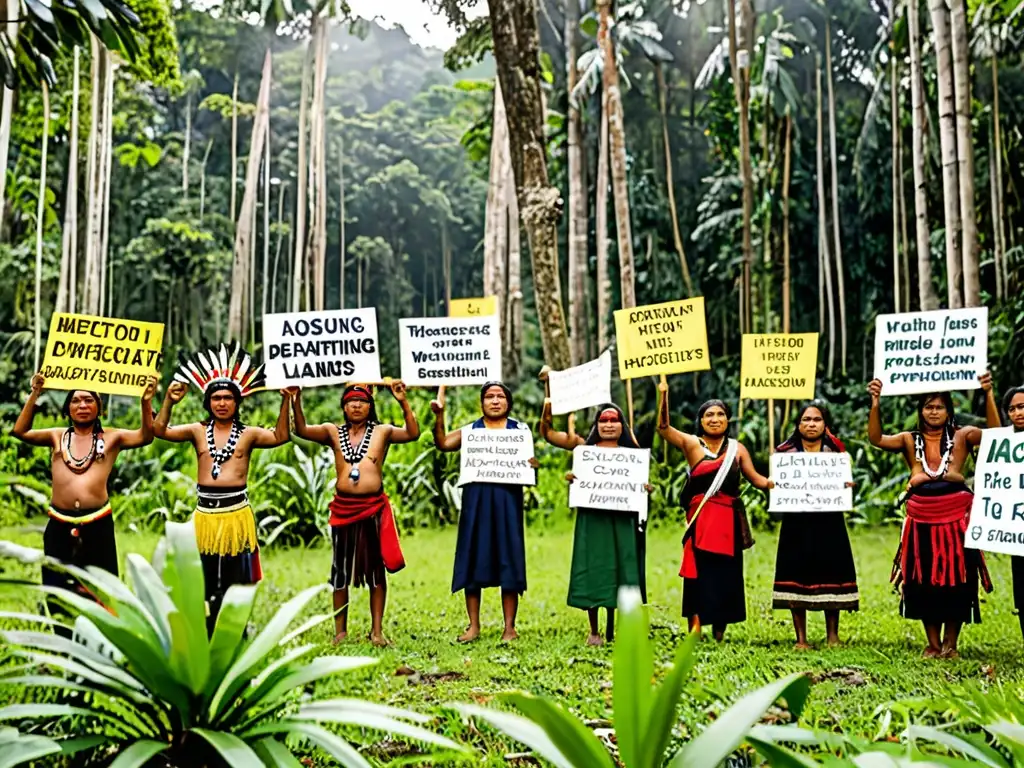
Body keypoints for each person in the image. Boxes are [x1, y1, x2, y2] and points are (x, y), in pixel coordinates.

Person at [154, 344, 291, 635]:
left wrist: (287, 401)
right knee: (202, 576)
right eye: (216, 398)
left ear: (237, 402)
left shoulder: (249, 433)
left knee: (235, 576)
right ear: (208, 401)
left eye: (228, 398)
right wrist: (168, 400)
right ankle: (204, 627)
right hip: (205, 515)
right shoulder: (196, 430)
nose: (222, 403)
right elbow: (160, 431)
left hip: (235, 515)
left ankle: (235, 628)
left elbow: (281, 436)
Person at [867, 373, 998, 658]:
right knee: (923, 580)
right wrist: (875, 402)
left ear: (949, 410)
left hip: (956, 521)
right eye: (929, 406)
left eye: (939, 407)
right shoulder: (908, 439)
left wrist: (988, 393)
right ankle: (933, 643)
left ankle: (951, 643)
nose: (934, 412)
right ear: (921, 410)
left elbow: (996, 434)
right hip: (921, 522)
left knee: (957, 580)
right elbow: (876, 438)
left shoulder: (963, 436)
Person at [12, 372, 157, 623]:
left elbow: (145, 436)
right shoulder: (57, 436)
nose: (82, 406)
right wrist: (35, 393)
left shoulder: (112, 437)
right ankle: (64, 642)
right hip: (59, 524)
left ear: (99, 408)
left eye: (89, 400)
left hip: (97, 523)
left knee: (102, 587)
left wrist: (146, 400)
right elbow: (20, 430)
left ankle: (101, 644)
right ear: (68, 408)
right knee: (58, 587)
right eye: (76, 401)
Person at [290, 381, 418, 647]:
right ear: (343, 406)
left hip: (372, 509)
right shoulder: (332, 432)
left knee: (375, 573)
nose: (356, 405)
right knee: (340, 573)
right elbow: (300, 429)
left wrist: (403, 401)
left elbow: (413, 433)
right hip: (343, 510)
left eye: (362, 401)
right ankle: (340, 631)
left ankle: (377, 631)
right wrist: (296, 399)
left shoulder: (382, 432)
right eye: (350, 401)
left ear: (370, 406)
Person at [656, 381, 773, 641]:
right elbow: (663, 429)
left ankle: (720, 630)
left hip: (728, 524)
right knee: (698, 574)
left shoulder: (737, 449)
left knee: (725, 576)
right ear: (700, 420)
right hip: (701, 522)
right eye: (709, 414)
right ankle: (695, 628)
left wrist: (780, 481)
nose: (715, 418)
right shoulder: (691, 444)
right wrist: (664, 393)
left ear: (728, 419)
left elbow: (758, 480)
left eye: (720, 414)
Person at [540, 401, 649, 645]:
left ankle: (623, 626)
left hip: (623, 517)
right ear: (596, 425)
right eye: (604, 420)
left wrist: (644, 488)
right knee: (594, 567)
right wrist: (549, 402)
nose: (609, 425)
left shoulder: (633, 455)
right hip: (593, 517)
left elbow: (641, 483)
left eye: (614, 420)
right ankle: (594, 631)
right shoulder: (584, 450)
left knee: (623, 566)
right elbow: (546, 433)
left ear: (622, 424)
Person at [432, 381, 532, 642]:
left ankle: (510, 627)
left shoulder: (520, 431)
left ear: (508, 403)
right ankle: (473, 626)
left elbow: (530, 462)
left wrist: (533, 463)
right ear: (482, 403)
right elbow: (443, 443)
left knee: (509, 557)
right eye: (490, 396)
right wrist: (439, 415)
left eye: (500, 396)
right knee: (473, 556)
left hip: (508, 501)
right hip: (476, 501)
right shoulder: (472, 431)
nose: (495, 401)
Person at [771, 402, 859, 649]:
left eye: (816, 420)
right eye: (806, 420)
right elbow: (777, 484)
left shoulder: (837, 453)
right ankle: (801, 639)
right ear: (798, 424)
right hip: (796, 524)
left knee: (832, 571)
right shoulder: (784, 454)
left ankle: (833, 635)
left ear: (825, 424)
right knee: (795, 573)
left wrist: (846, 486)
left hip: (829, 522)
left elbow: (845, 482)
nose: (811, 424)